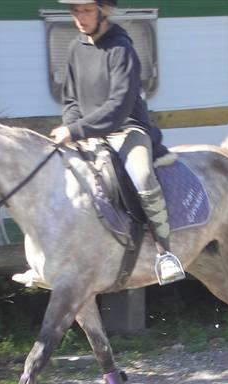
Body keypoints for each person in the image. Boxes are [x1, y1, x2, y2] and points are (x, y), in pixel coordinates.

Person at [51, 0, 185, 285]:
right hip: (88, 133)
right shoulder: (76, 48)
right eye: (75, 11)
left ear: (103, 11)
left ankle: (165, 253)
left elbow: (119, 105)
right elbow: (71, 99)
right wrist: (72, 126)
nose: (80, 18)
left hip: (127, 129)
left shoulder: (121, 48)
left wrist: (76, 130)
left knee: (143, 175)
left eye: (86, 11)